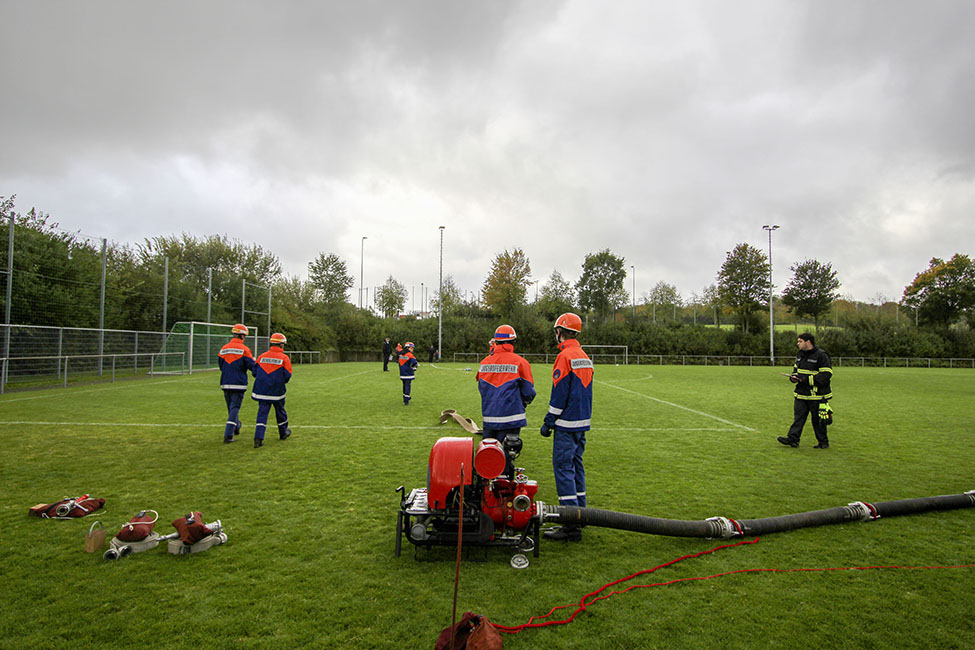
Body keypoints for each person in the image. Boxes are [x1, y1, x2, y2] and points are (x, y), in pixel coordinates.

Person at [540, 313, 593, 542]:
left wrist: (548, 421)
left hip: (566, 423)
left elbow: (559, 393)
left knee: (563, 469)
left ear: (560, 331)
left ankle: (570, 525)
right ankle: (582, 513)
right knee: (576, 466)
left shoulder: (564, 356)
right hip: (582, 422)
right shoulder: (584, 355)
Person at [476, 325, 536, 477]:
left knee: (488, 456)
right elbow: (529, 392)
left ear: (496, 342)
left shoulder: (484, 362)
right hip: (512, 418)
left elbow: (481, 386)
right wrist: (522, 402)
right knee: (507, 456)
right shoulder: (520, 362)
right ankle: (504, 492)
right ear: (513, 342)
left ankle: (486, 487)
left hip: (489, 418)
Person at [778, 332, 833, 449]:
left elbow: (826, 374)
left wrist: (806, 380)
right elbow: (796, 369)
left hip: (817, 396)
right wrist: (793, 378)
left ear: (808, 342)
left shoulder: (821, 355)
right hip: (801, 394)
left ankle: (823, 442)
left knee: (817, 421)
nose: (797, 344)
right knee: (798, 418)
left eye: (800, 341)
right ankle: (793, 439)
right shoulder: (800, 355)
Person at [251, 332, 293, 448]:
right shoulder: (284, 358)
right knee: (280, 411)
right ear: (282, 345)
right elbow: (287, 375)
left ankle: (258, 438)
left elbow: (254, 372)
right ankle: (283, 432)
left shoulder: (262, 356)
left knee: (262, 414)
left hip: (261, 391)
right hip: (277, 391)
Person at [217, 324, 255, 444]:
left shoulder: (224, 348)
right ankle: (228, 434)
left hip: (225, 382)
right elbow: (251, 366)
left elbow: (221, 365)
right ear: (242, 336)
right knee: (234, 408)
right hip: (238, 383)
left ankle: (236, 425)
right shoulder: (244, 349)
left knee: (230, 407)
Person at [399, 341, 418, 405]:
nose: (412, 349)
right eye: (411, 348)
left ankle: (405, 397)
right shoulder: (409, 355)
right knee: (408, 386)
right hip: (408, 373)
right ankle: (406, 400)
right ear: (407, 348)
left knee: (404, 385)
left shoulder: (401, 354)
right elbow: (415, 362)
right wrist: (415, 367)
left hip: (402, 373)